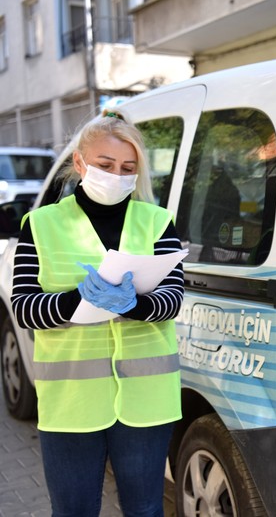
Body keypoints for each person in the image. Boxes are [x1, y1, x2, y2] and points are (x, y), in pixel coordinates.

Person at [11, 109, 185, 517]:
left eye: (128, 167)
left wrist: (134, 304)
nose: (117, 175)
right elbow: (24, 308)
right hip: (71, 401)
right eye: (105, 165)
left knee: (144, 511)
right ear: (80, 163)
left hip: (147, 401)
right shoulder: (40, 224)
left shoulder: (158, 222)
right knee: (74, 511)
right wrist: (75, 301)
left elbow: (172, 299)